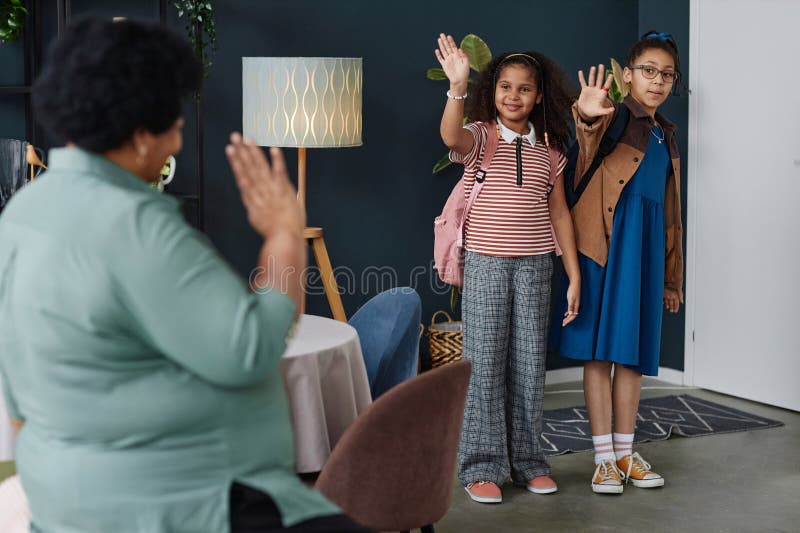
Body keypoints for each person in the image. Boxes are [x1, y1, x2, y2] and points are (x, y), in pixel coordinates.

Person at [0, 16, 371, 533]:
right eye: (175, 119)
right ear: (140, 132)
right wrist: (284, 236)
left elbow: (17, 390)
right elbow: (252, 351)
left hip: (68, 498)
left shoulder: (24, 212)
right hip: (180, 502)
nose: (178, 140)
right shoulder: (136, 224)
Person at [434, 33, 581, 504]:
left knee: (529, 364)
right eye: (504, 87)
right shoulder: (482, 136)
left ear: (538, 95)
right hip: (487, 264)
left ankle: (529, 463)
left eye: (523, 89)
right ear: (491, 91)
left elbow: (559, 213)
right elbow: (449, 137)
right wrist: (457, 86)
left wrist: (573, 274)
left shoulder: (552, 148)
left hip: (537, 265)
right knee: (484, 364)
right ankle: (481, 466)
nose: (513, 96)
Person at [558, 31, 684, 494]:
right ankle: (604, 459)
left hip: (646, 250)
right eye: (648, 71)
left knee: (631, 356)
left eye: (667, 74)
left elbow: (672, 215)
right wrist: (588, 114)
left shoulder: (666, 134)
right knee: (599, 352)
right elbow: (587, 139)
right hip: (604, 246)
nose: (657, 81)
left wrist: (672, 277)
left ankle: (627, 452)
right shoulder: (614, 117)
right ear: (628, 75)